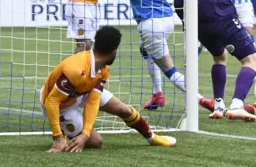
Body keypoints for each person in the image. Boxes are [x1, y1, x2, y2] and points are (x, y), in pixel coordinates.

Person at [63, 0, 208, 110]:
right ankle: (157, 94)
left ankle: (202, 100)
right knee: (144, 50)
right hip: (169, 20)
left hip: (150, 24)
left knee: (170, 70)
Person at [41, 26, 176, 153]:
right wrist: (57, 137)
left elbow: (93, 101)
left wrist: (85, 133)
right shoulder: (75, 69)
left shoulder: (104, 68)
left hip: (84, 90)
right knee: (96, 142)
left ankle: (152, 137)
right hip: (60, 103)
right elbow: (51, 101)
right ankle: (62, 132)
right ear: (114, 51)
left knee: (124, 109)